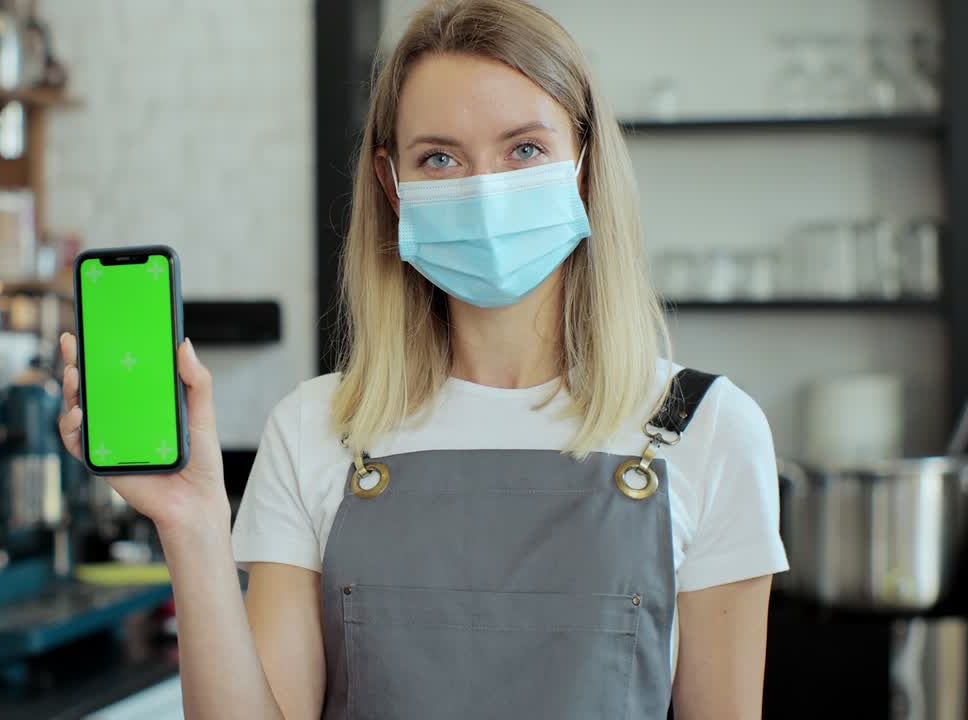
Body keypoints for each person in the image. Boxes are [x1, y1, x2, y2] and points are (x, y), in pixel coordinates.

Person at [58, 0, 787, 716]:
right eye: (439, 157)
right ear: (392, 185)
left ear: (586, 165)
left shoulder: (706, 428)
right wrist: (191, 526)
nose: (484, 190)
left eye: (525, 149)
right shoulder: (315, 428)